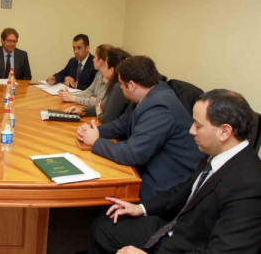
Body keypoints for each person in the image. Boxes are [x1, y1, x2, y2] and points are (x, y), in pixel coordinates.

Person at [89, 89, 261, 254]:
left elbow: (224, 251)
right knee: (104, 227)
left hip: (188, 245)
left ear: (224, 132)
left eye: (198, 125)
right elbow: (185, 189)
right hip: (174, 229)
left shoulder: (249, 185)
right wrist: (141, 208)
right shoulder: (216, 154)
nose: (191, 130)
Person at [78, 56, 204, 200]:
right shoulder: (147, 94)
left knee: (104, 187)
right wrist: (96, 131)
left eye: (121, 84)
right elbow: (122, 124)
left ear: (131, 85)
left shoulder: (159, 107)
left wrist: (95, 141)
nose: (120, 88)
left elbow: (132, 154)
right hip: (151, 164)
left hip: (167, 182)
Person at [64, 48, 130, 124]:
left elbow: (107, 119)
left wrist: (99, 113)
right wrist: (81, 111)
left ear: (111, 70)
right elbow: (100, 106)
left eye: (105, 65)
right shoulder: (113, 83)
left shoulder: (118, 87)